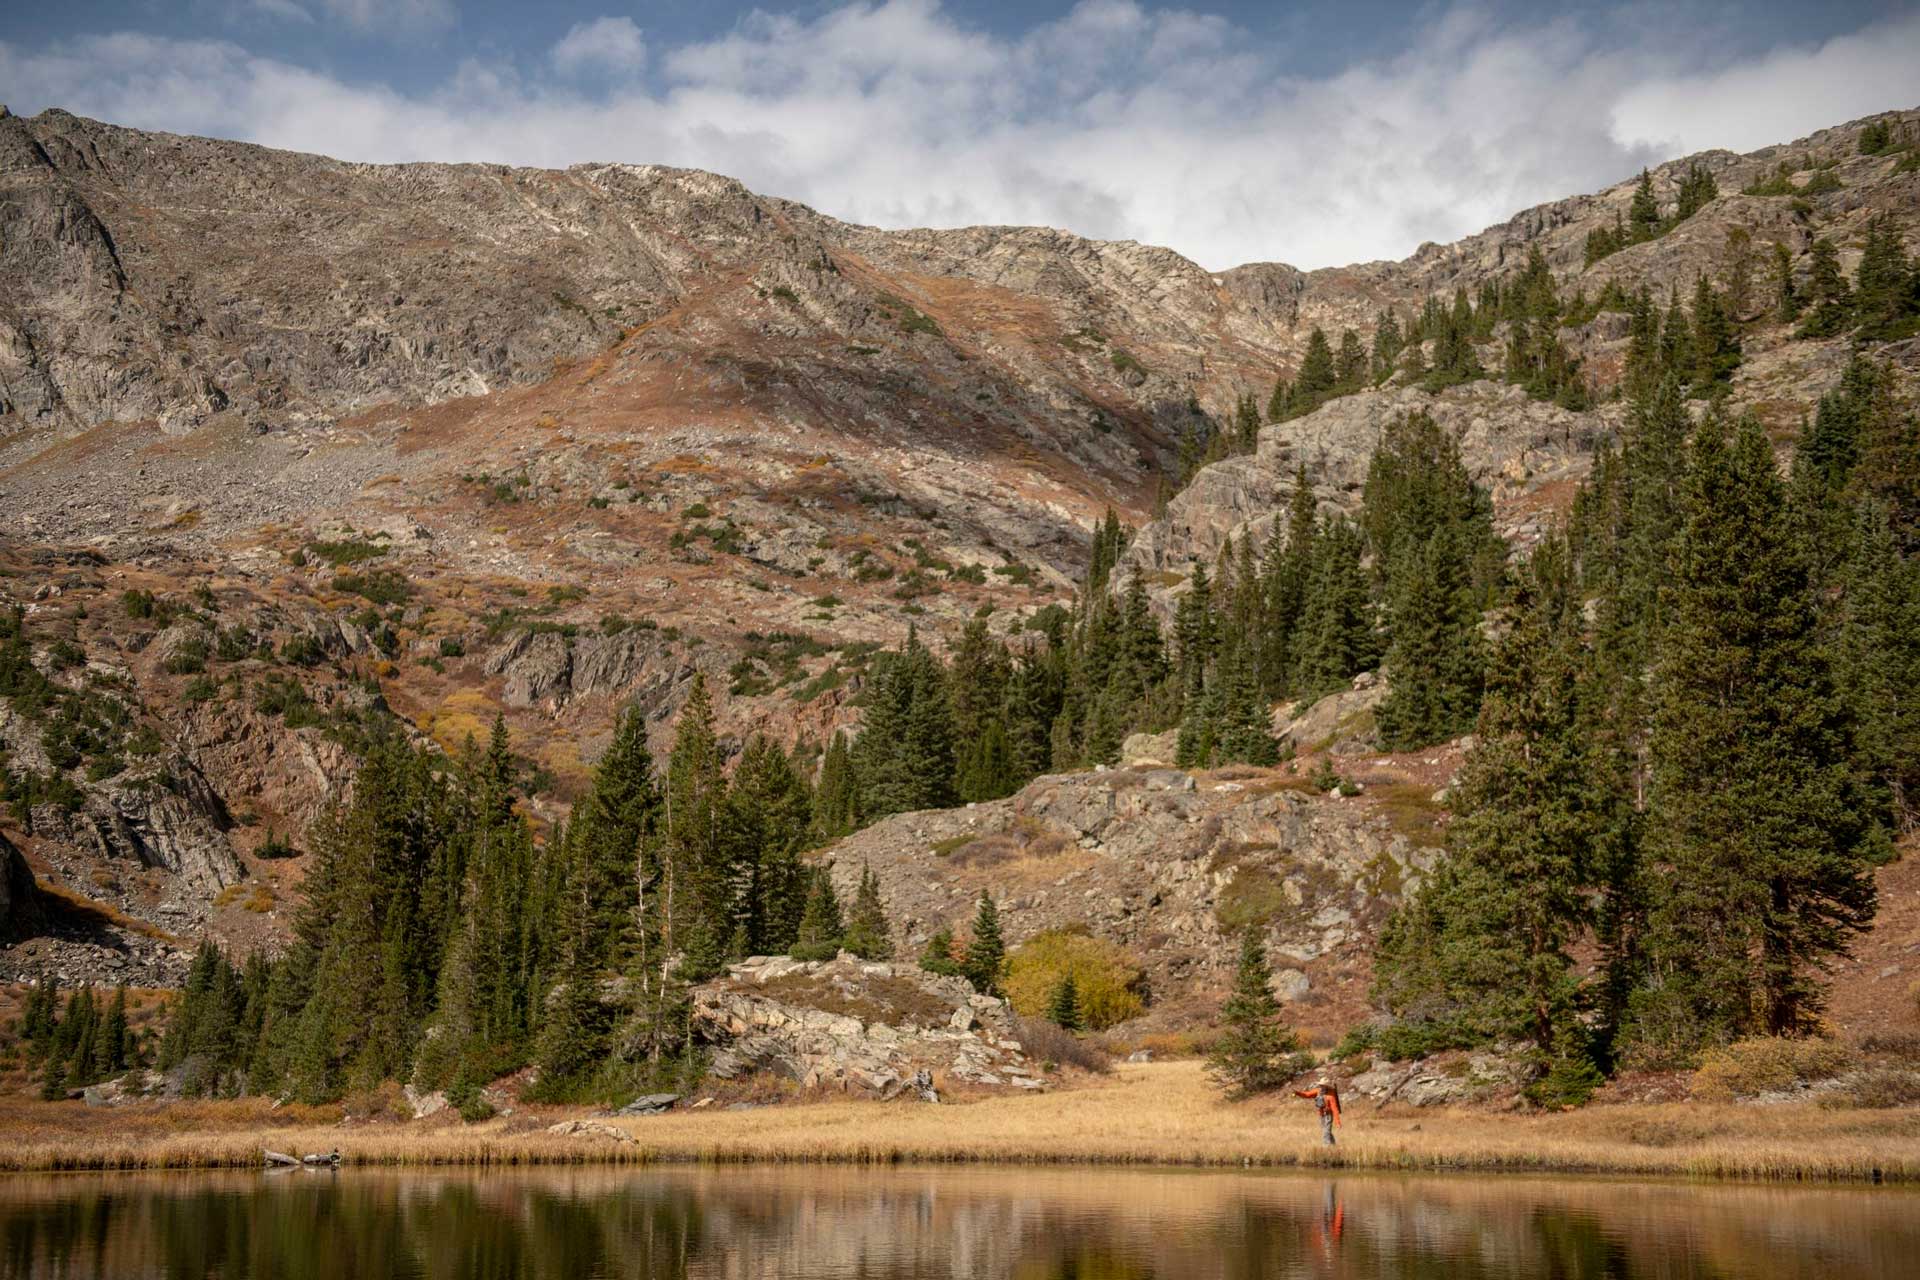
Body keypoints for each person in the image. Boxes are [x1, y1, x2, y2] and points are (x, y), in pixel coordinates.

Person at [1294, 1078, 1342, 1145]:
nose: (1321, 1086)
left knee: (1326, 1132)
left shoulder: (1331, 1095)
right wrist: (1297, 1093)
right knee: (1326, 1131)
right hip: (1321, 1115)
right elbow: (1307, 1095)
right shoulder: (1318, 1091)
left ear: (1326, 1086)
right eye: (1320, 1085)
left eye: (1323, 1085)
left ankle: (1326, 1148)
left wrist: (1338, 1122)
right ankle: (1333, 1145)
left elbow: (1334, 1109)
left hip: (1328, 1116)